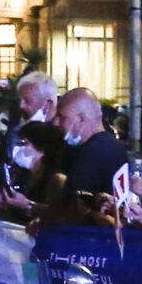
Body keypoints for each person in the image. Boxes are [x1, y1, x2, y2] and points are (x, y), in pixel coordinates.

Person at [51, 87, 130, 220]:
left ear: (81, 118)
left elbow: (72, 208)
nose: (56, 122)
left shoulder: (91, 153)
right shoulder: (114, 146)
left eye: (62, 116)